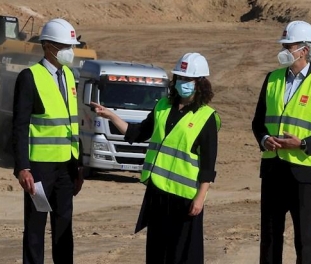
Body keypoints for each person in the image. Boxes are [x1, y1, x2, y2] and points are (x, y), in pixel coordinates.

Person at [93, 52, 220, 264]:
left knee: (183, 254)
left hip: (185, 198)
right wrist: (112, 116)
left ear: (200, 83)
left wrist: (200, 198)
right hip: (158, 193)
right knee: (157, 252)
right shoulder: (162, 106)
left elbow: (208, 164)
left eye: (187, 79)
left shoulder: (207, 117)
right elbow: (137, 133)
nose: (182, 83)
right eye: (179, 78)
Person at [251, 21, 311, 264]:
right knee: (270, 236)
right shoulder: (272, 79)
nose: (283, 50)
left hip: (306, 172)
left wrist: (303, 144)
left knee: (304, 237)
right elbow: (258, 122)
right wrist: (264, 138)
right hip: (273, 169)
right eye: (283, 45)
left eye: (288, 45)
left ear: (304, 50)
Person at [12, 18, 84, 264]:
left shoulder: (70, 77)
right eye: (65, 46)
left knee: (64, 226)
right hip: (39, 168)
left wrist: (79, 166)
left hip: (66, 167)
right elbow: (19, 126)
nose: (69, 51)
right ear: (48, 46)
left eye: (71, 46)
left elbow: (73, 125)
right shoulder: (30, 77)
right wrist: (23, 167)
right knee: (35, 227)